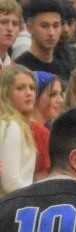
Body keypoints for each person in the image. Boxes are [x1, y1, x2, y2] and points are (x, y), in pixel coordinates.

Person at [0, 65, 38, 196]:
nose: (29, 93)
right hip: (12, 205)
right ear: (6, 93)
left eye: (32, 88)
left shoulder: (18, 125)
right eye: (20, 88)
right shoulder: (12, 126)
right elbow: (10, 181)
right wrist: (35, 198)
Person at [17, 0, 71, 80]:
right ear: (29, 27)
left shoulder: (64, 68)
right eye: (44, 26)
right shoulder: (20, 69)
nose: (51, 33)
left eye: (56, 26)